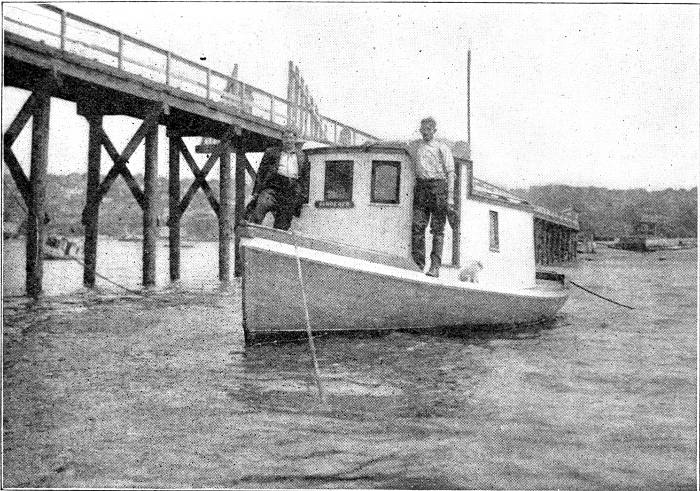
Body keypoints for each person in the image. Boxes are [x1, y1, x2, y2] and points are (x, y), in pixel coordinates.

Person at [407, 117, 455, 277]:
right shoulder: (416, 146)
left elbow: (451, 173)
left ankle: (435, 267)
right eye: (422, 129)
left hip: (438, 189)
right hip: (421, 188)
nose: (424, 132)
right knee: (417, 227)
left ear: (434, 130)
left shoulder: (442, 148)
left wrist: (450, 198)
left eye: (428, 129)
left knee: (437, 229)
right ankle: (418, 265)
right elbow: (400, 144)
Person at [246, 129, 310, 231]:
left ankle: (277, 242)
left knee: (283, 222)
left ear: (295, 139)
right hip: (273, 186)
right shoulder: (271, 152)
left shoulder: (302, 156)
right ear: (282, 139)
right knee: (260, 207)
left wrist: (304, 197)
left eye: (291, 138)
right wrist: (256, 192)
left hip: (291, 190)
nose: (288, 141)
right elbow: (261, 172)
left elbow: (305, 178)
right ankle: (251, 233)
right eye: (285, 138)